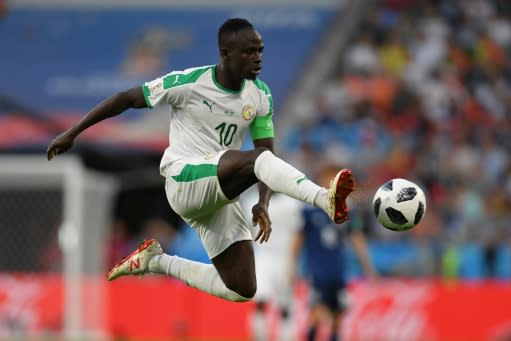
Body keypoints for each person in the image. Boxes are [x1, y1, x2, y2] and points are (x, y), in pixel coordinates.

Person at [46, 18, 355, 303]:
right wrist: (73, 133)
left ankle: (157, 261)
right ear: (226, 54)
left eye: (260, 51)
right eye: (249, 52)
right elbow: (126, 99)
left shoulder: (260, 94)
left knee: (242, 289)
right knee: (252, 159)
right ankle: (324, 198)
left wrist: (263, 201)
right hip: (184, 181)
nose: (258, 58)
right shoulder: (188, 83)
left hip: (219, 193)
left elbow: (267, 153)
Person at [291, 164, 376, 341]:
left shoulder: (347, 211)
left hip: (338, 272)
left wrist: (368, 267)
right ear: (320, 182)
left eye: (335, 181)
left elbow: (356, 238)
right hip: (317, 272)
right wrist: (292, 267)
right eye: (329, 180)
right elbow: (298, 240)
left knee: (337, 317)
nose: (332, 185)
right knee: (318, 313)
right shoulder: (309, 210)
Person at [240, 188, 303, 341]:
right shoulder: (251, 201)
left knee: (285, 308)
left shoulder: (291, 204)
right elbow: (244, 233)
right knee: (260, 303)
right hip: (262, 259)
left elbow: (298, 235)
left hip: (285, 260)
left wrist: (293, 264)